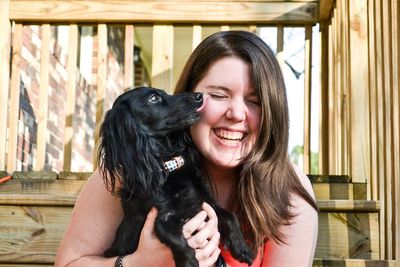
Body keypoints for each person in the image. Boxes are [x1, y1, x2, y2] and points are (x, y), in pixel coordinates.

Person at [55, 30, 318, 267]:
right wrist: (138, 264)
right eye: (218, 95)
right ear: (189, 97)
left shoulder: (288, 190)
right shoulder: (127, 174)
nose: (237, 113)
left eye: (254, 101)